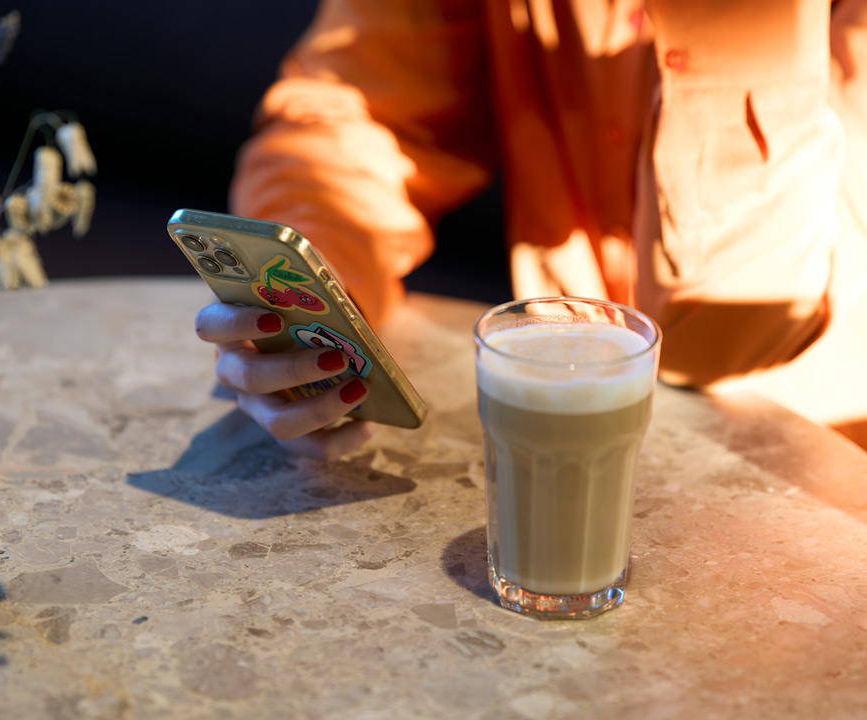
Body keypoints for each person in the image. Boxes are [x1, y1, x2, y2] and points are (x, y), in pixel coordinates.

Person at [196, 0, 867, 459]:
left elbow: (724, 333)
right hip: (553, 414)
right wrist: (314, 293)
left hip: (818, 475)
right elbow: (363, 116)